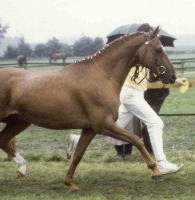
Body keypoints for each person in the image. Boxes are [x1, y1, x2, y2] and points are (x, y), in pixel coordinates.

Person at [67, 23, 184, 175]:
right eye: (148, 34)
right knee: (155, 123)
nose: (149, 37)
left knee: (109, 126)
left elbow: (146, 79)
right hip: (131, 94)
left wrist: (175, 81)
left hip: (133, 93)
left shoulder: (144, 54)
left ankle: (75, 140)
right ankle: (161, 163)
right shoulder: (136, 53)